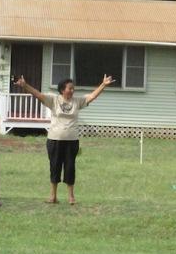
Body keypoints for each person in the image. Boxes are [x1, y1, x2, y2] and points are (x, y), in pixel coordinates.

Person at [14, 74, 115, 204]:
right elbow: (38, 94)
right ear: (62, 90)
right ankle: (53, 196)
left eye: (73, 88)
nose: (72, 91)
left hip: (72, 141)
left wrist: (103, 85)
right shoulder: (54, 100)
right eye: (70, 88)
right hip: (54, 140)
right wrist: (25, 85)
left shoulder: (77, 101)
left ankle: (71, 197)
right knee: (54, 167)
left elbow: (92, 96)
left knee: (70, 167)